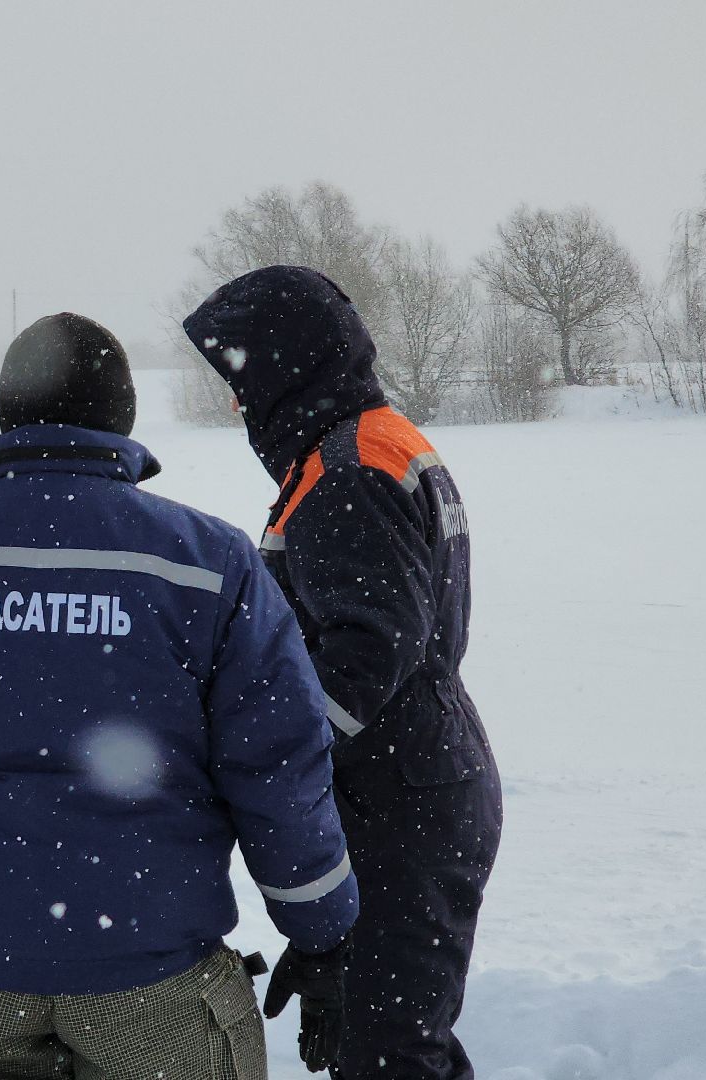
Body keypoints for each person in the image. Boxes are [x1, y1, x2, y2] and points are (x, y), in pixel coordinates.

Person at [0, 313, 358, 1078]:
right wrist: (320, 929)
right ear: (122, 419)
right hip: (156, 989)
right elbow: (278, 764)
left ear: (7, 417)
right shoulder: (206, 564)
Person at [185, 267, 502, 1079]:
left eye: (239, 374)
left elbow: (368, 652)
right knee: (395, 1044)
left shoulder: (350, 468)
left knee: (391, 1056)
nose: (234, 401)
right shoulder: (369, 440)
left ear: (286, 363)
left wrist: (269, 756)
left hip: (402, 795)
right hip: (416, 774)